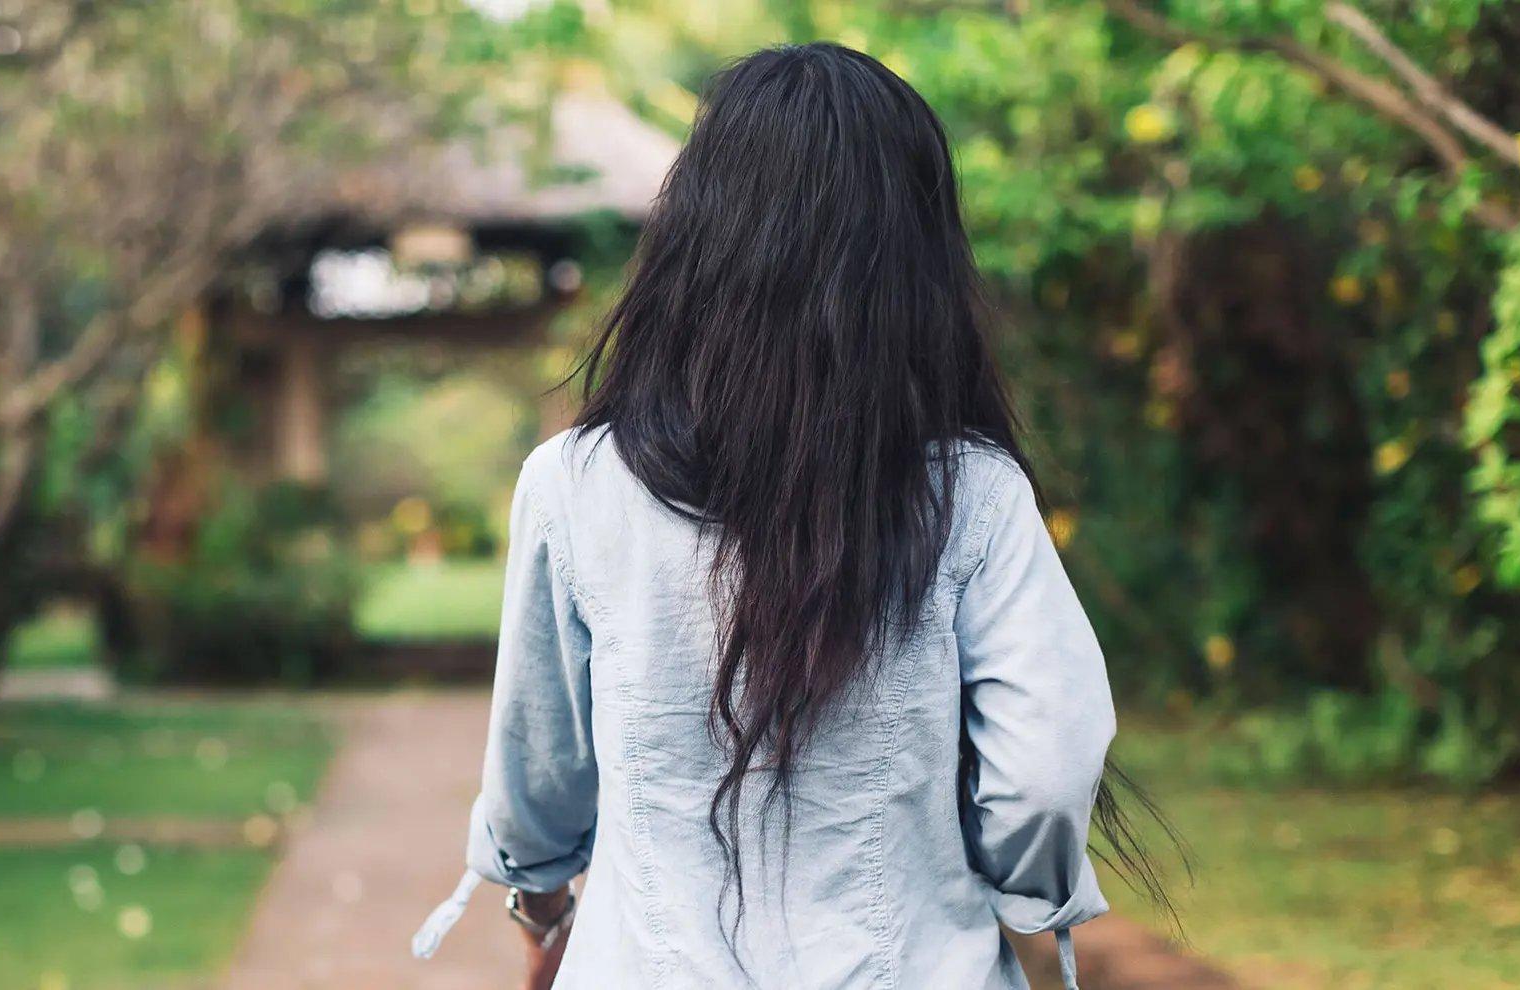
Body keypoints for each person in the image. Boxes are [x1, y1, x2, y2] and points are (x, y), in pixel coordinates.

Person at [413, 42, 1170, 990]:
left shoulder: (575, 484)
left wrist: (543, 909)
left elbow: (539, 780)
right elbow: (1045, 773)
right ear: (916, 256)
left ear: (693, 234)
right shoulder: (975, 496)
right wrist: (1020, 898)